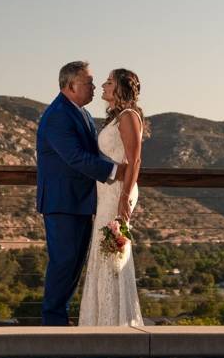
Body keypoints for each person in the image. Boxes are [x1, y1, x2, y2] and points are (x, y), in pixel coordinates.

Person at [36, 61, 125, 326]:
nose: (94, 87)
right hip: (63, 203)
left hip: (81, 202)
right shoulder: (58, 116)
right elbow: (75, 157)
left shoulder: (81, 113)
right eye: (89, 82)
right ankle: (52, 325)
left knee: (73, 266)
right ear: (71, 85)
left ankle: (60, 322)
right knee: (63, 264)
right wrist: (115, 171)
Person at [79, 68, 145, 326]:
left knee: (112, 252)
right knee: (104, 251)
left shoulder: (129, 116)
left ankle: (116, 321)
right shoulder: (116, 118)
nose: (103, 86)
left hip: (118, 192)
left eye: (108, 82)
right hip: (106, 192)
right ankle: (101, 319)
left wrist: (124, 198)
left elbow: (135, 159)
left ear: (119, 88)